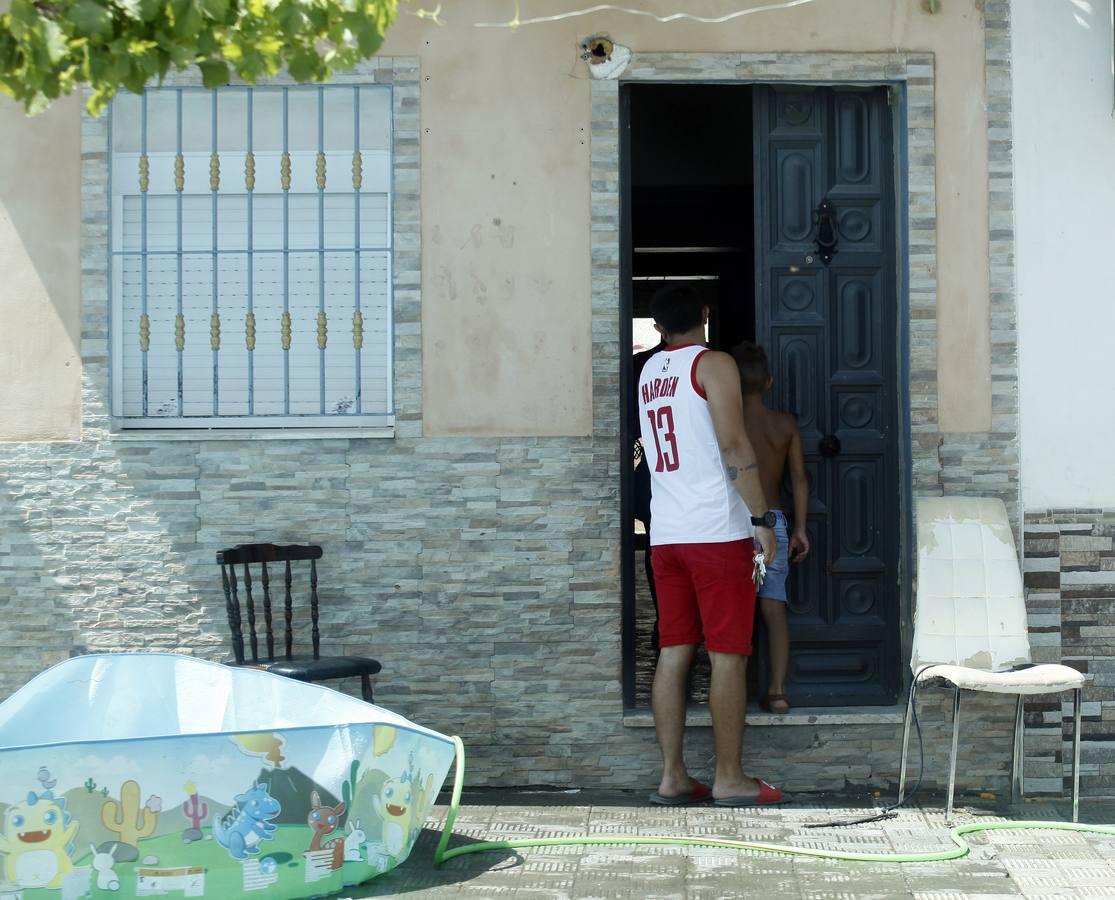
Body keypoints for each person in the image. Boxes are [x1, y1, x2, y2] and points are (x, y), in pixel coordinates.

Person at [638, 284, 783, 808]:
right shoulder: (712, 363)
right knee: (728, 654)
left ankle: (673, 776)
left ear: (657, 327)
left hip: (667, 534)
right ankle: (729, 778)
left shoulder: (650, 372)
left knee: (674, 649)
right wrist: (762, 517)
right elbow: (732, 444)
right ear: (704, 314)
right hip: (715, 533)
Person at [734, 342, 811, 715]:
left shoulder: (725, 426)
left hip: (733, 523)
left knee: (733, 609)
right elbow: (798, 479)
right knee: (774, 607)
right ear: (769, 382)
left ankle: (731, 691)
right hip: (774, 522)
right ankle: (778, 692)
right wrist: (800, 528)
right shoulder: (784, 425)